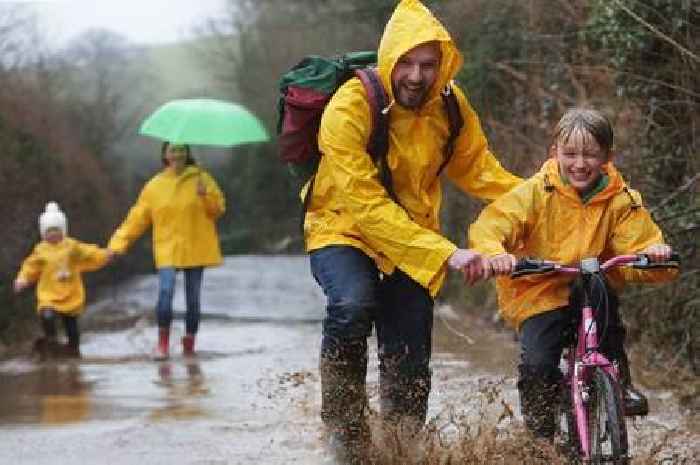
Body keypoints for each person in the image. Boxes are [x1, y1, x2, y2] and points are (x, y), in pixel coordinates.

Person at [305, 0, 521, 460]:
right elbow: (366, 207)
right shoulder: (350, 107)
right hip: (343, 229)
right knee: (352, 302)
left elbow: (480, 171)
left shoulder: (450, 105)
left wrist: (543, 197)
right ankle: (344, 429)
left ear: (443, 66)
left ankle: (401, 446)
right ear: (389, 60)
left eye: (428, 64)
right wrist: (445, 253)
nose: (416, 76)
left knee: (409, 356)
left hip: (416, 240)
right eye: (406, 62)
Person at [467, 107, 678, 439]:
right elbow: (493, 224)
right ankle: (540, 441)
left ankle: (618, 381)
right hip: (540, 291)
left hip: (590, 285)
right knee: (538, 364)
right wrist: (495, 254)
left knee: (602, 295)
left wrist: (653, 252)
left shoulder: (620, 199)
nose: (580, 164)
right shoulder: (535, 192)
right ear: (555, 153)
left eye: (591, 155)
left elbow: (638, 238)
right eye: (570, 154)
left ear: (607, 156)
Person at [107, 142, 225, 360]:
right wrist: (117, 244)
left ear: (187, 153)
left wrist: (205, 195)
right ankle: (162, 345)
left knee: (193, 300)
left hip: (196, 247)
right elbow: (137, 218)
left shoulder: (203, 179)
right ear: (165, 155)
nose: (177, 154)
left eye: (181, 149)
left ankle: (189, 344)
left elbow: (218, 210)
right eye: (173, 150)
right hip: (167, 247)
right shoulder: (154, 186)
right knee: (165, 292)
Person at [14, 201, 111, 359]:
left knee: (71, 328)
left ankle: (74, 351)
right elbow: (30, 266)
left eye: (56, 230)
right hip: (49, 294)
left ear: (63, 230)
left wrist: (105, 254)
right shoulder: (40, 250)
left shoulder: (72, 246)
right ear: (43, 233)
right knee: (47, 315)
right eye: (49, 231)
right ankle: (51, 343)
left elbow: (88, 252)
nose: (52, 234)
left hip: (70, 294)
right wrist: (22, 279)